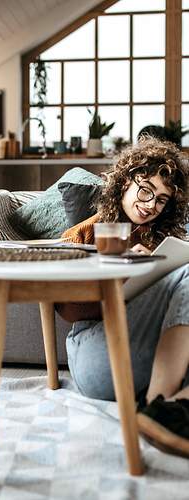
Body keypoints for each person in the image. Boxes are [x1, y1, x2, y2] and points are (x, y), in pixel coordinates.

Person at [57, 136, 189, 457]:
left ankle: (175, 405)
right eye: (145, 190)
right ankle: (157, 410)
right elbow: (65, 306)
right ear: (125, 182)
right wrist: (126, 273)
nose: (150, 205)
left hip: (146, 357)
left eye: (161, 200)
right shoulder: (85, 233)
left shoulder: (168, 239)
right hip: (95, 356)